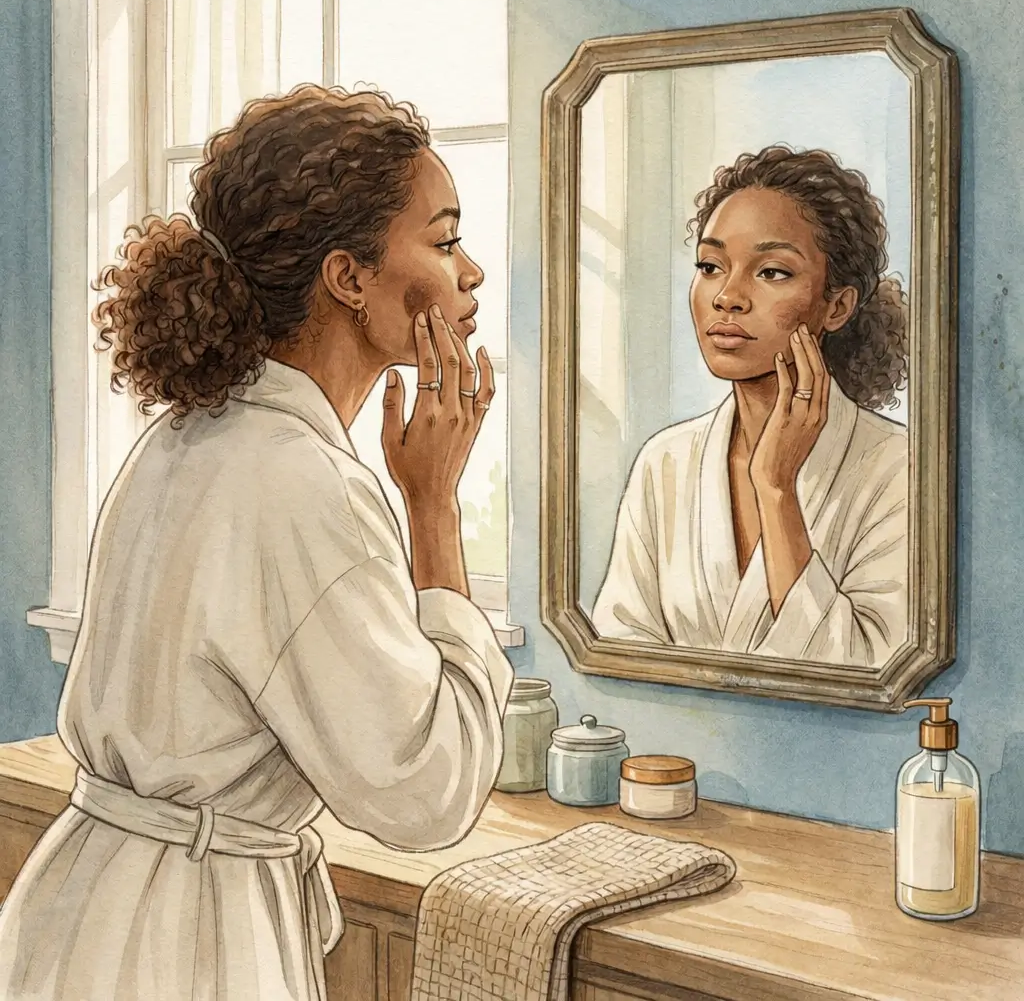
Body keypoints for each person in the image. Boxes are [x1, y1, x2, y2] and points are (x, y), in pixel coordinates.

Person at [0, 84, 515, 1000]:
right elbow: (427, 794)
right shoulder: (301, 483)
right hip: (188, 942)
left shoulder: (194, 434)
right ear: (348, 277)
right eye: (442, 240)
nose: (470, 271)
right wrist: (433, 508)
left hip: (86, 907)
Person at [592, 146, 909, 668]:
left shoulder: (899, 469)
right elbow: (622, 653)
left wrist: (776, 487)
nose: (728, 297)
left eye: (772, 272)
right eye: (711, 266)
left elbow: (870, 670)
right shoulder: (666, 462)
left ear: (837, 306)